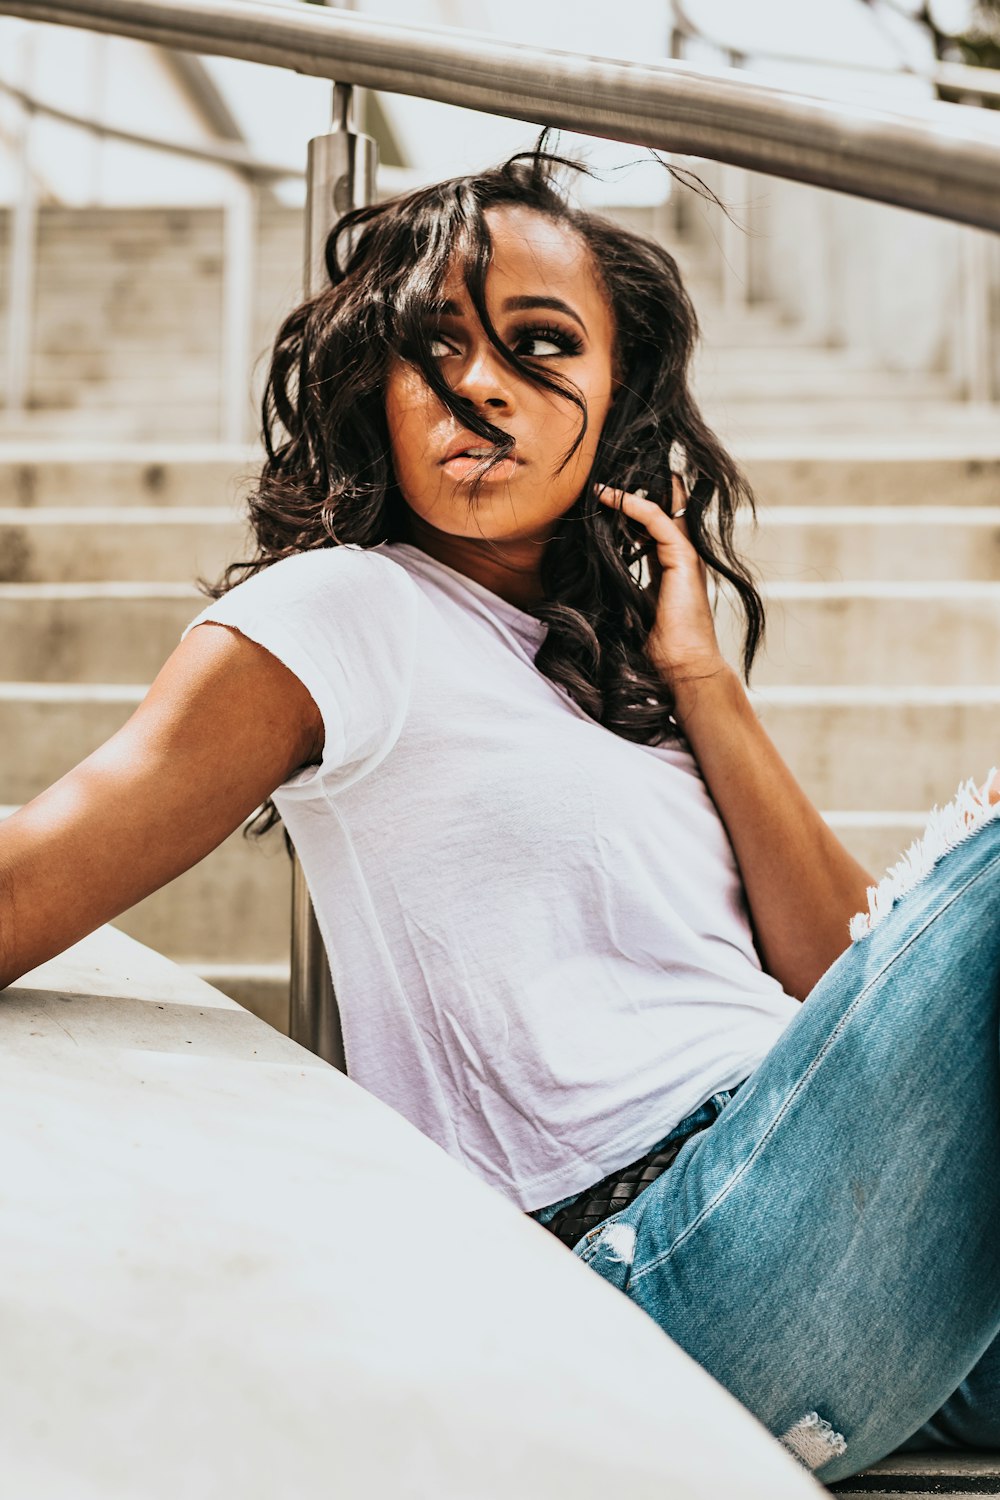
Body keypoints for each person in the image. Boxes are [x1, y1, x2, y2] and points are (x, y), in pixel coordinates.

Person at [1, 143, 998, 1482]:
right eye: (434, 349)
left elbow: (837, 973)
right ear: (380, 390)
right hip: (658, 1277)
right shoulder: (342, 611)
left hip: (872, 1255)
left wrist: (697, 676)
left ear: (616, 395)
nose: (481, 384)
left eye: (539, 345)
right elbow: (32, 878)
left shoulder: (624, 676)